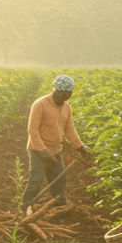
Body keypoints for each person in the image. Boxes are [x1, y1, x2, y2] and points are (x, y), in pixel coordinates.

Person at [21, 74, 91, 217]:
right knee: (36, 179)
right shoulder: (40, 104)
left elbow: (69, 130)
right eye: (61, 94)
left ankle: (58, 206)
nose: (63, 98)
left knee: (59, 178)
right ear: (55, 90)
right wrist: (42, 150)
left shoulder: (67, 108)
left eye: (67, 95)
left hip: (56, 150)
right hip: (37, 149)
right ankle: (26, 208)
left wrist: (80, 147)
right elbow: (32, 130)